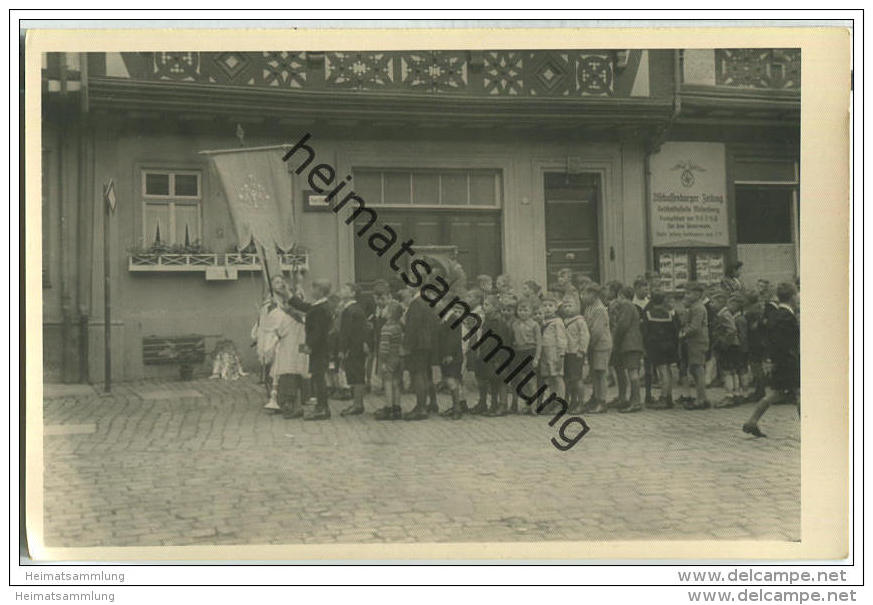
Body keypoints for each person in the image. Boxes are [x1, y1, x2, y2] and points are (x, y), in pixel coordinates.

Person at [743, 282, 800, 437]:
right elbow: (786, 341)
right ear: (793, 297)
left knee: (776, 393)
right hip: (788, 360)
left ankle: (752, 421)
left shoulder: (775, 314)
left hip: (779, 360)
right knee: (799, 392)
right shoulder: (786, 316)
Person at [285, 278, 334, 420]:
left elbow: (318, 331)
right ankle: (320, 406)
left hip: (319, 348)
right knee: (317, 376)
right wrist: (288, 294)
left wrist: (309, 345)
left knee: (319, 378)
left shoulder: (322, 308)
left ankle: (323, 408)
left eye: (313, 289)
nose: (311, 291)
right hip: (319, 348)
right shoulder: (319, 305)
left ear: (320, 291)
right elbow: (304, 306)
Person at [402, 290, 440, 420]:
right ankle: (432, 403)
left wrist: (407, 346)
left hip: (418, 345)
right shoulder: (428, 302)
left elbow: (412, 326)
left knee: (418, 374)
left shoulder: (416, 303)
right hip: (429, 344)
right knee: (426, 374)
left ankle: (421, 407)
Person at [336, 283, 372, 416]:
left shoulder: (351, 310)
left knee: (356, 376)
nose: (341, 290)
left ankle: (358, 404)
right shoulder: (353, 308)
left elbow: (347, 332)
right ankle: (357, 403)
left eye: (345, 289)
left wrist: (342, 349)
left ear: (352, 294)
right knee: (355, 375)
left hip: (354, 347)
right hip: (355, 346)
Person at [642, 291, 680, 409]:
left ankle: (663, 398)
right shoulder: (668, 314)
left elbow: (645, 332)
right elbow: (675, 331)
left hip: (656, 347)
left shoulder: (648, 314)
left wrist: (646, 347)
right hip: (669, 346)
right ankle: (669, 397)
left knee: (662, 372)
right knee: (668, 371)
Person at [610, 286, 645, 413]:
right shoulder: (630, 306)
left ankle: (635, 401)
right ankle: (624, 398)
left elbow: (622, 325)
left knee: (632, 372)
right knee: (623, 370)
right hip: (628, 344)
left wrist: (615, 339)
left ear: (621, 295)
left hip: (629, 344)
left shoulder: (626, 305)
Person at [679, 282, 710, 410]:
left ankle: (701, 399)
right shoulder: (694, 306)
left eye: (688, 293)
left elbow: (695, 327)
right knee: (694, 369)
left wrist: (683, 333)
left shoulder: (698, 308)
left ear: (697, 294)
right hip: (694, 341)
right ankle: (701, 397)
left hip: (697, 341)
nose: (686, 296)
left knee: (698, 369)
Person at [582, 283, 612, 413]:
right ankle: (595, 397)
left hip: (600, 345)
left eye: (585, 293)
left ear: (593, 295)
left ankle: (602, 401)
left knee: (600, 373)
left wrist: (589, 345)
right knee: (594, 373)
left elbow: (597, 331)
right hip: (593, 345)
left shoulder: (599, 309)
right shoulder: (589, 307)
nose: (582, 296)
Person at [710, 291, 742, 408]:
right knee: (733, 371)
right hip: (733, 346)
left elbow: (732, 330)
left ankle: (729, 396)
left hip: (729, 347)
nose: (711, 304)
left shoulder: (723, 314)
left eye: (713, 302)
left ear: (720, 303)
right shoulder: (725, 313)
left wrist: (724, 343)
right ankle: (736, 394)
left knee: (727, 371)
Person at [374, 301, 404, 421]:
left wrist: (383, 362)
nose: (383, 310)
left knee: (387, 382)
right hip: (398, 357)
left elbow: (384, 346)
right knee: (397, 382)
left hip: (389, 358)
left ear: (390, 313)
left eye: (386, 309)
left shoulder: (386, 328)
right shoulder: (398, 327)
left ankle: (389, 407)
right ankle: (397, 407)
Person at [510, 299, 542, 415]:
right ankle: (526, 404)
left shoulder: (535, 325)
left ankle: (534, 407)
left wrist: (537, 358)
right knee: (521, 381)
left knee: (531, 381)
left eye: (525, 310)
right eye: (520, 310)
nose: (522, 312)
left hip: (530, 352)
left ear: (531, 311)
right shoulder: (514, 324)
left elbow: (539, 342)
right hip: (518, 353)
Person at [437, 303, 466, 420]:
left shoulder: (453, 319)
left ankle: (457, 408)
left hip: (453, 356)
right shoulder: (445, 318)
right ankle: (456, 406)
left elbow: (453, 338)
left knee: (451, 380)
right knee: (450, 380)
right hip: (447, 354)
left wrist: (449, 354)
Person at [561, 295, 589, 415]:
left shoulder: (580, 321)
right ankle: (572, 401)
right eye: (565, 306)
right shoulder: (563, 321)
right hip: (566, 353)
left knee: (577, 379)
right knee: (568, 379)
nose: (567, 309)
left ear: (577, 307)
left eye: (570, 306)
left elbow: (585, 336)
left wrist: (582, 350)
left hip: (576, 353)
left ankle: (581, 403)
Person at [539, 292, 568, 405]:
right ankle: (553, 400)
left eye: (550, 306)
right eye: (545, 306)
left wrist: (561, 355)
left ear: (556, 308)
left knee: (557, 378)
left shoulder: (558, 322)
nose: (547, 308)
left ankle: (561, 402)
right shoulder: (542, 321)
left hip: (555, 354)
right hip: (545, 354)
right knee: (549, 379)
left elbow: (562, 340)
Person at [743, 291, 768, 403]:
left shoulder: (750, 312)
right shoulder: (760, 309)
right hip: (761, 342)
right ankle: (760, 390)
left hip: (754, 343)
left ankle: (760, 392)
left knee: (756, 367)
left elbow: (751, 328)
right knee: (758, 367)